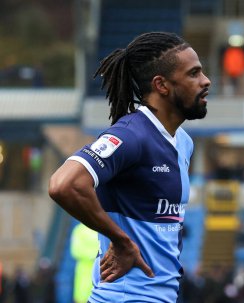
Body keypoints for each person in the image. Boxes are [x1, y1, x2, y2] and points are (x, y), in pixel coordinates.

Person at [48, 31, 211, 303]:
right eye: (193, 74)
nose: (206, 81)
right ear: (162, 85)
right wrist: (121, 240)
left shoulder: (183, 143)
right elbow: (64, 184)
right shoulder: (131, 135)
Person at [70, 223, 99, 303]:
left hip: (100, 273)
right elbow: (75, 251)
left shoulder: (102, 229)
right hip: (83, 273)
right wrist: (95, 255)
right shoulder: (79, 230)